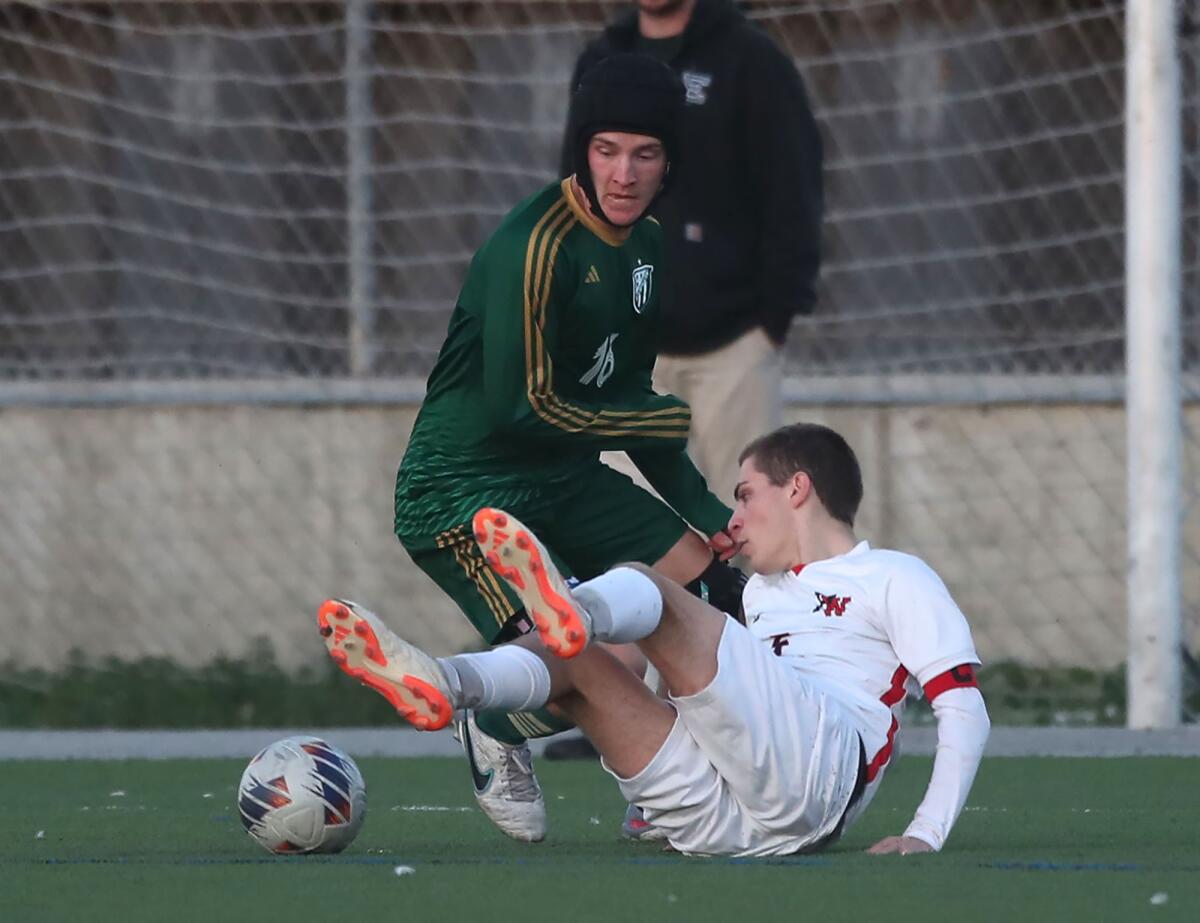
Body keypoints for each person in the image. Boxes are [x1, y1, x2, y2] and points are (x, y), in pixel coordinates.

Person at [377, 53, 746, 844]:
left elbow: (630, 400)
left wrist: (710, 511)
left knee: (718, 595)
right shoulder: (532, 247)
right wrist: (646, 424)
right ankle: (495, 728)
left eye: (645, 153)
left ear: (668, 162)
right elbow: (520, 411)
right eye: (607, 149)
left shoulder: (645, 247)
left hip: (567, 476)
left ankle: (669, 791)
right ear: (581, 149)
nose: (624, 172)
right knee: (576, 668)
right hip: (462, 494)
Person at [319, 423, 991, 856]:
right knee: (583, 667)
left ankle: (574, 601)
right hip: (727, 827)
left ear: (798, 488)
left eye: (745, 494)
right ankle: (449, 681)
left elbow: (964, 707)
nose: (734, 515)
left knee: (653, 586)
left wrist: (924, 834)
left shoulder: (894, 574)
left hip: (822, 769)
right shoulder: (759, 593)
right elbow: (716, 693)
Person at [560, 0, 824, 503]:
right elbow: (572, 193)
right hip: (627, 351)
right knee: (626, 538)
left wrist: (772, 322)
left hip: (734, 347)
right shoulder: (602, 60)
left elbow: (795, 188)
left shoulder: (750, 59)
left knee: (750, 532)